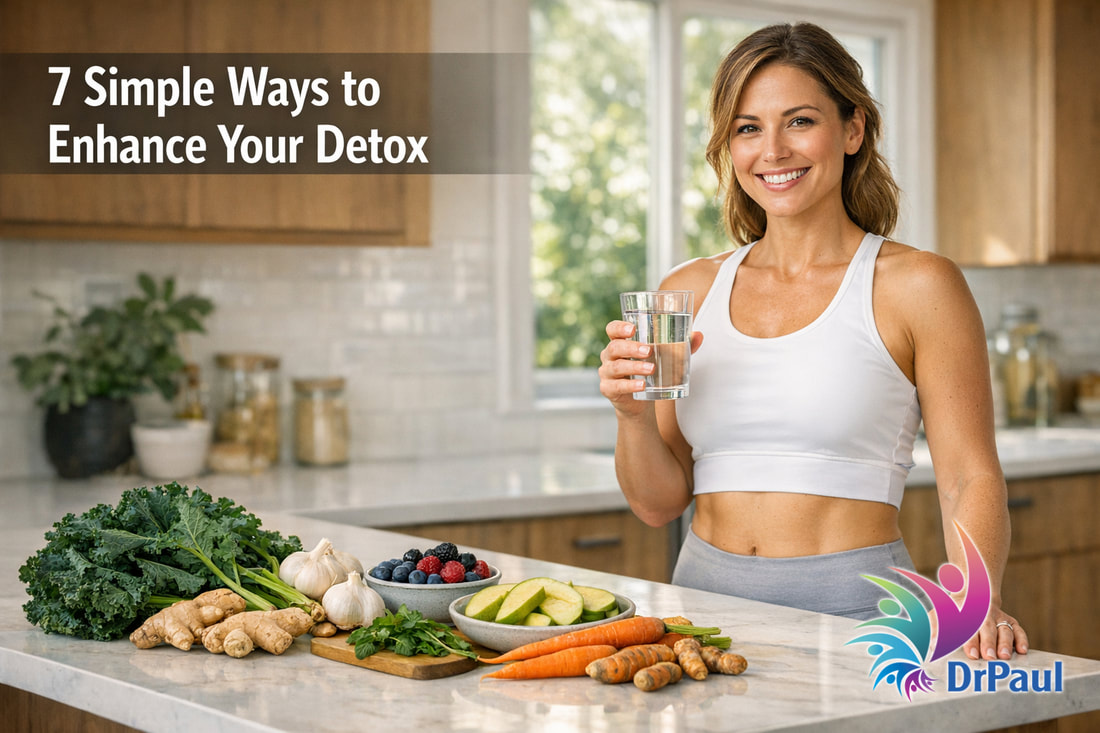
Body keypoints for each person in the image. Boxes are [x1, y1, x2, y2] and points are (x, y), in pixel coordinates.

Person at [598, 22, 1028, 661]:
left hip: (860, 615)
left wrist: (977, 600)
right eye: (748, 128)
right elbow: (659, 504)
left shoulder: (918, 285)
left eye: (799, 121)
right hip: (701, 616)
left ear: (853, 130)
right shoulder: (687, 290)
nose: (772, 150)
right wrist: (631, 415)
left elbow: (968, 475)